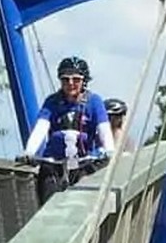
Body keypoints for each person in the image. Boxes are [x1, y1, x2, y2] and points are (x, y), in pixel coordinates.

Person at [22, 56, 115, 196]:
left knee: (84, 197)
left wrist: (109, 150)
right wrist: (29, 152)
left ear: (84, 81)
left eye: (76, 79)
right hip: (54, 163)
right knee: (48, 196)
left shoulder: (94, 102)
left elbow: (103, 129)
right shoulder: (52, 102)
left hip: (83, 163)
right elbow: (41, 127)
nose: (70, 83)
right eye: (65, 79)